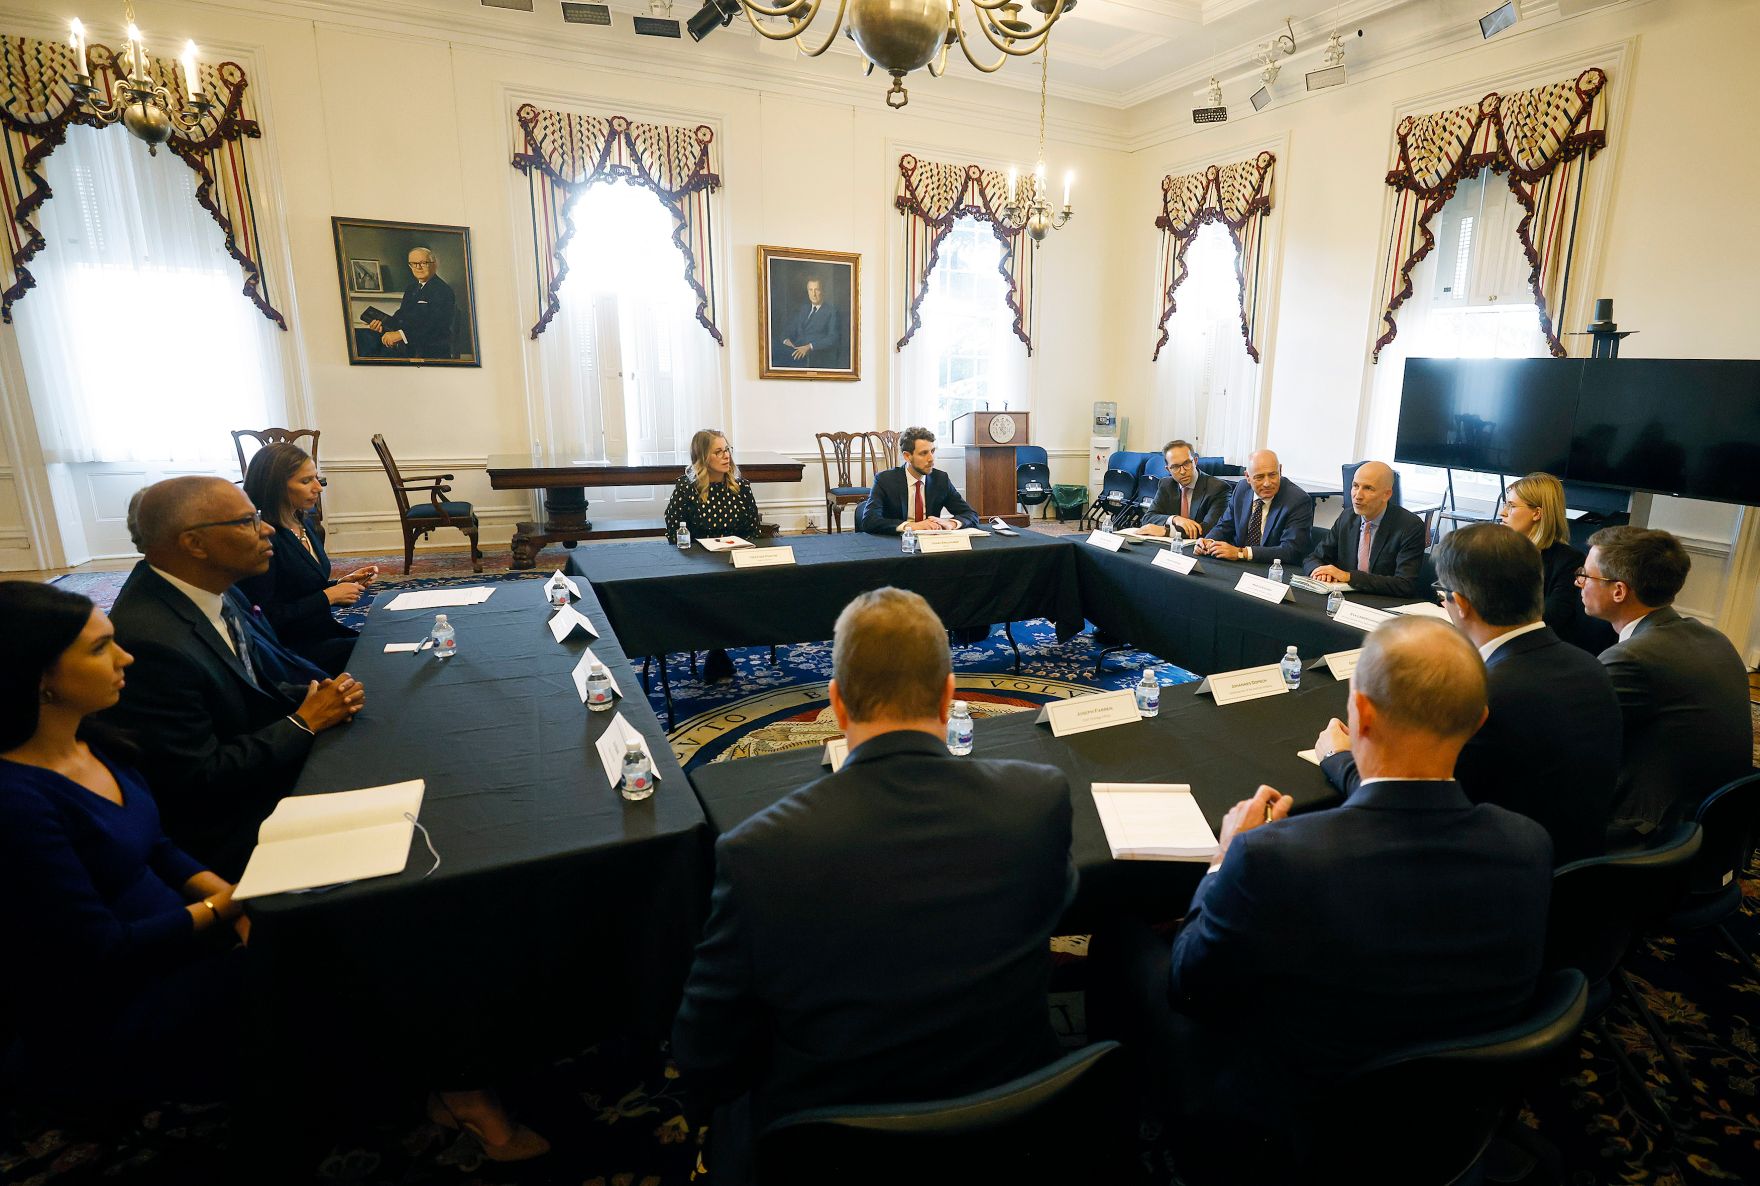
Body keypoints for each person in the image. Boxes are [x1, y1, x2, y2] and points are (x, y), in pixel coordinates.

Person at [1096, 617, 1551, 1176]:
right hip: (1457, 1120)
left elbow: (1187, 987)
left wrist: (1221, 861)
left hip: (1294, 1133)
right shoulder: (1527, 845)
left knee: (1117, 940)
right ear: (1478, 720)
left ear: (1360, 714)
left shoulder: (1274, 858)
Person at [672, 587, 1075, 1182]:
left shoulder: (759, 853)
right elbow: (1058, 907)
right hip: (1011, 1126)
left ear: (834, 704)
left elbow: (704, 1051)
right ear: (950, 695)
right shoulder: (1037, 799)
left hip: (828, 1149)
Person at [0, 581, 248, 1102]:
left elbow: (156, 845)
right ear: (37, 676)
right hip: (116, 1005)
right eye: (99, 648)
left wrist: (228, 899)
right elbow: (101, 948)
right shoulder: (16, 800)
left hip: (178, 944)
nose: (126, 656)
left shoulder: (92, 740)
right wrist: (223, 908)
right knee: (325, 962)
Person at [97, 477, 366, 878]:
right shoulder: (152, 643)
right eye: (247, 521)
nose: (268, 528)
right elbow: (199, 781)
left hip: (257, 766)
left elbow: (250, 685)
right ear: (194, 544)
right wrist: (304, 722)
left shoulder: (213, 587)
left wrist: (318, 694)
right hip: (226, 828)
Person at [1314, 523, 1622, 863]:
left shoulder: (1481, 695)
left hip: (1498, 880)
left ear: (1459, 603)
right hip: (1582, 870)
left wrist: (1337, 757)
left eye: (1441, 593)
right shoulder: (1594, 668)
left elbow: (1404, 808)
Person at [1581, 527, 1751, 832]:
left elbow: (1571, 742)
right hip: (1717, 825)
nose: (1578, 582)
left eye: (1586, 575)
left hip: (1648, 831)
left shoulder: (1630, 658)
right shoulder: (1713, 637)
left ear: (1618, 591)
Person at [238, 443, 377, 677]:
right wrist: (327, 597)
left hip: (321, 633)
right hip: (293, 650)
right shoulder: (263, 540)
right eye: (305, 481)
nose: (318, 488)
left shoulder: (302, 523)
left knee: (387, 640)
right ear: (275, 487)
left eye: (316, 479)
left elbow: (299, 590)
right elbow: (263, 619)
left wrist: (341, 584)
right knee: (382, 652)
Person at [663, 429, 762, 683]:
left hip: (733, 559)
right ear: (702, 457)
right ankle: (715, 650)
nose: (726, 456)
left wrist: (739, 547)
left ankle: (722, 647)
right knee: (712, 588)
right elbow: (674, 527)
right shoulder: (687, 487)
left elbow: (752, 529)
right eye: (718, 451)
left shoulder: (741, 486)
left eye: (727, 449)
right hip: (698, 561)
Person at [1499, 472, 1615, 654]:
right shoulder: (1502, 551)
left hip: (1541, 651)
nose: (1503, 512)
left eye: (1511, 506)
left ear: (1537, 513)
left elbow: (1548, 620)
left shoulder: (1569, 562)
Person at [1301, 460, 1427, 597]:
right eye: (1355, 486)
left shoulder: (1410, 526)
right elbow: (1313, 558)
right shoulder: (1347, 517)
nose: (1358, 495)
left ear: (1387, 494)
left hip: (1384, 603)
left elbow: (1405, 585)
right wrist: (1320, 572)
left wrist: (1349, 577)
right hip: (1346, 599)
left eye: (1368, 488)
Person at [1195, 448, 1314, 564]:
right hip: (1238, 566)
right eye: (1259, 477)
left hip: (1273, 568)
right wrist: (1209, 542)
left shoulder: (1298, 500)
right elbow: (1225, 525)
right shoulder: (1242, 489)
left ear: (1280, 470)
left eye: (1272, 475)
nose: (1267, 483)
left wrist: (1241, 553)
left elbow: (1292, 550)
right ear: (1247, 477)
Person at [856, 427, 980, 534]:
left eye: (932, 451)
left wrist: (951, 523)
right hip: (896, 545)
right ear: (907, 456)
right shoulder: (885, 480)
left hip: (931, 547)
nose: (931, 459)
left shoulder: (940, 479)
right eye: (924, 453)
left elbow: (970, 514)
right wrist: (911, 526)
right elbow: (869, 521)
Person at [365, 247, 456, 359]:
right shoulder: (411, 289)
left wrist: (401, 335)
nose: (418, 267)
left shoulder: (442, 290)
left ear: (434, 264)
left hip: (430, 351)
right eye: (414, 263)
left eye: (423, 263)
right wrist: (382, 326)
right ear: (410, 266)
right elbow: (401, 317)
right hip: (409, 347)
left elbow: (434, 326)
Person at [1136, 439, 1230, 539]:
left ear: (1195, 461)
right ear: (1168, 469)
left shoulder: (1218, 488)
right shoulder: (1166, 484)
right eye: (1175, 467)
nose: (1182, 471)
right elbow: (1148, 518)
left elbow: (1210, 529)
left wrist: (1167, 532)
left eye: (1186, 464)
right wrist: (1174, 519)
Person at [776, 276, 844, 369]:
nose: (814, 294)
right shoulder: (803, 309)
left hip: (815, 358)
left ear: (823, 291)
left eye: (817, 290)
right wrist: (786, 340)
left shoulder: (831, 311)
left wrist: (809, 347)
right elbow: (787, 331)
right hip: (794, 353)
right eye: (810, 290)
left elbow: (833, 338)